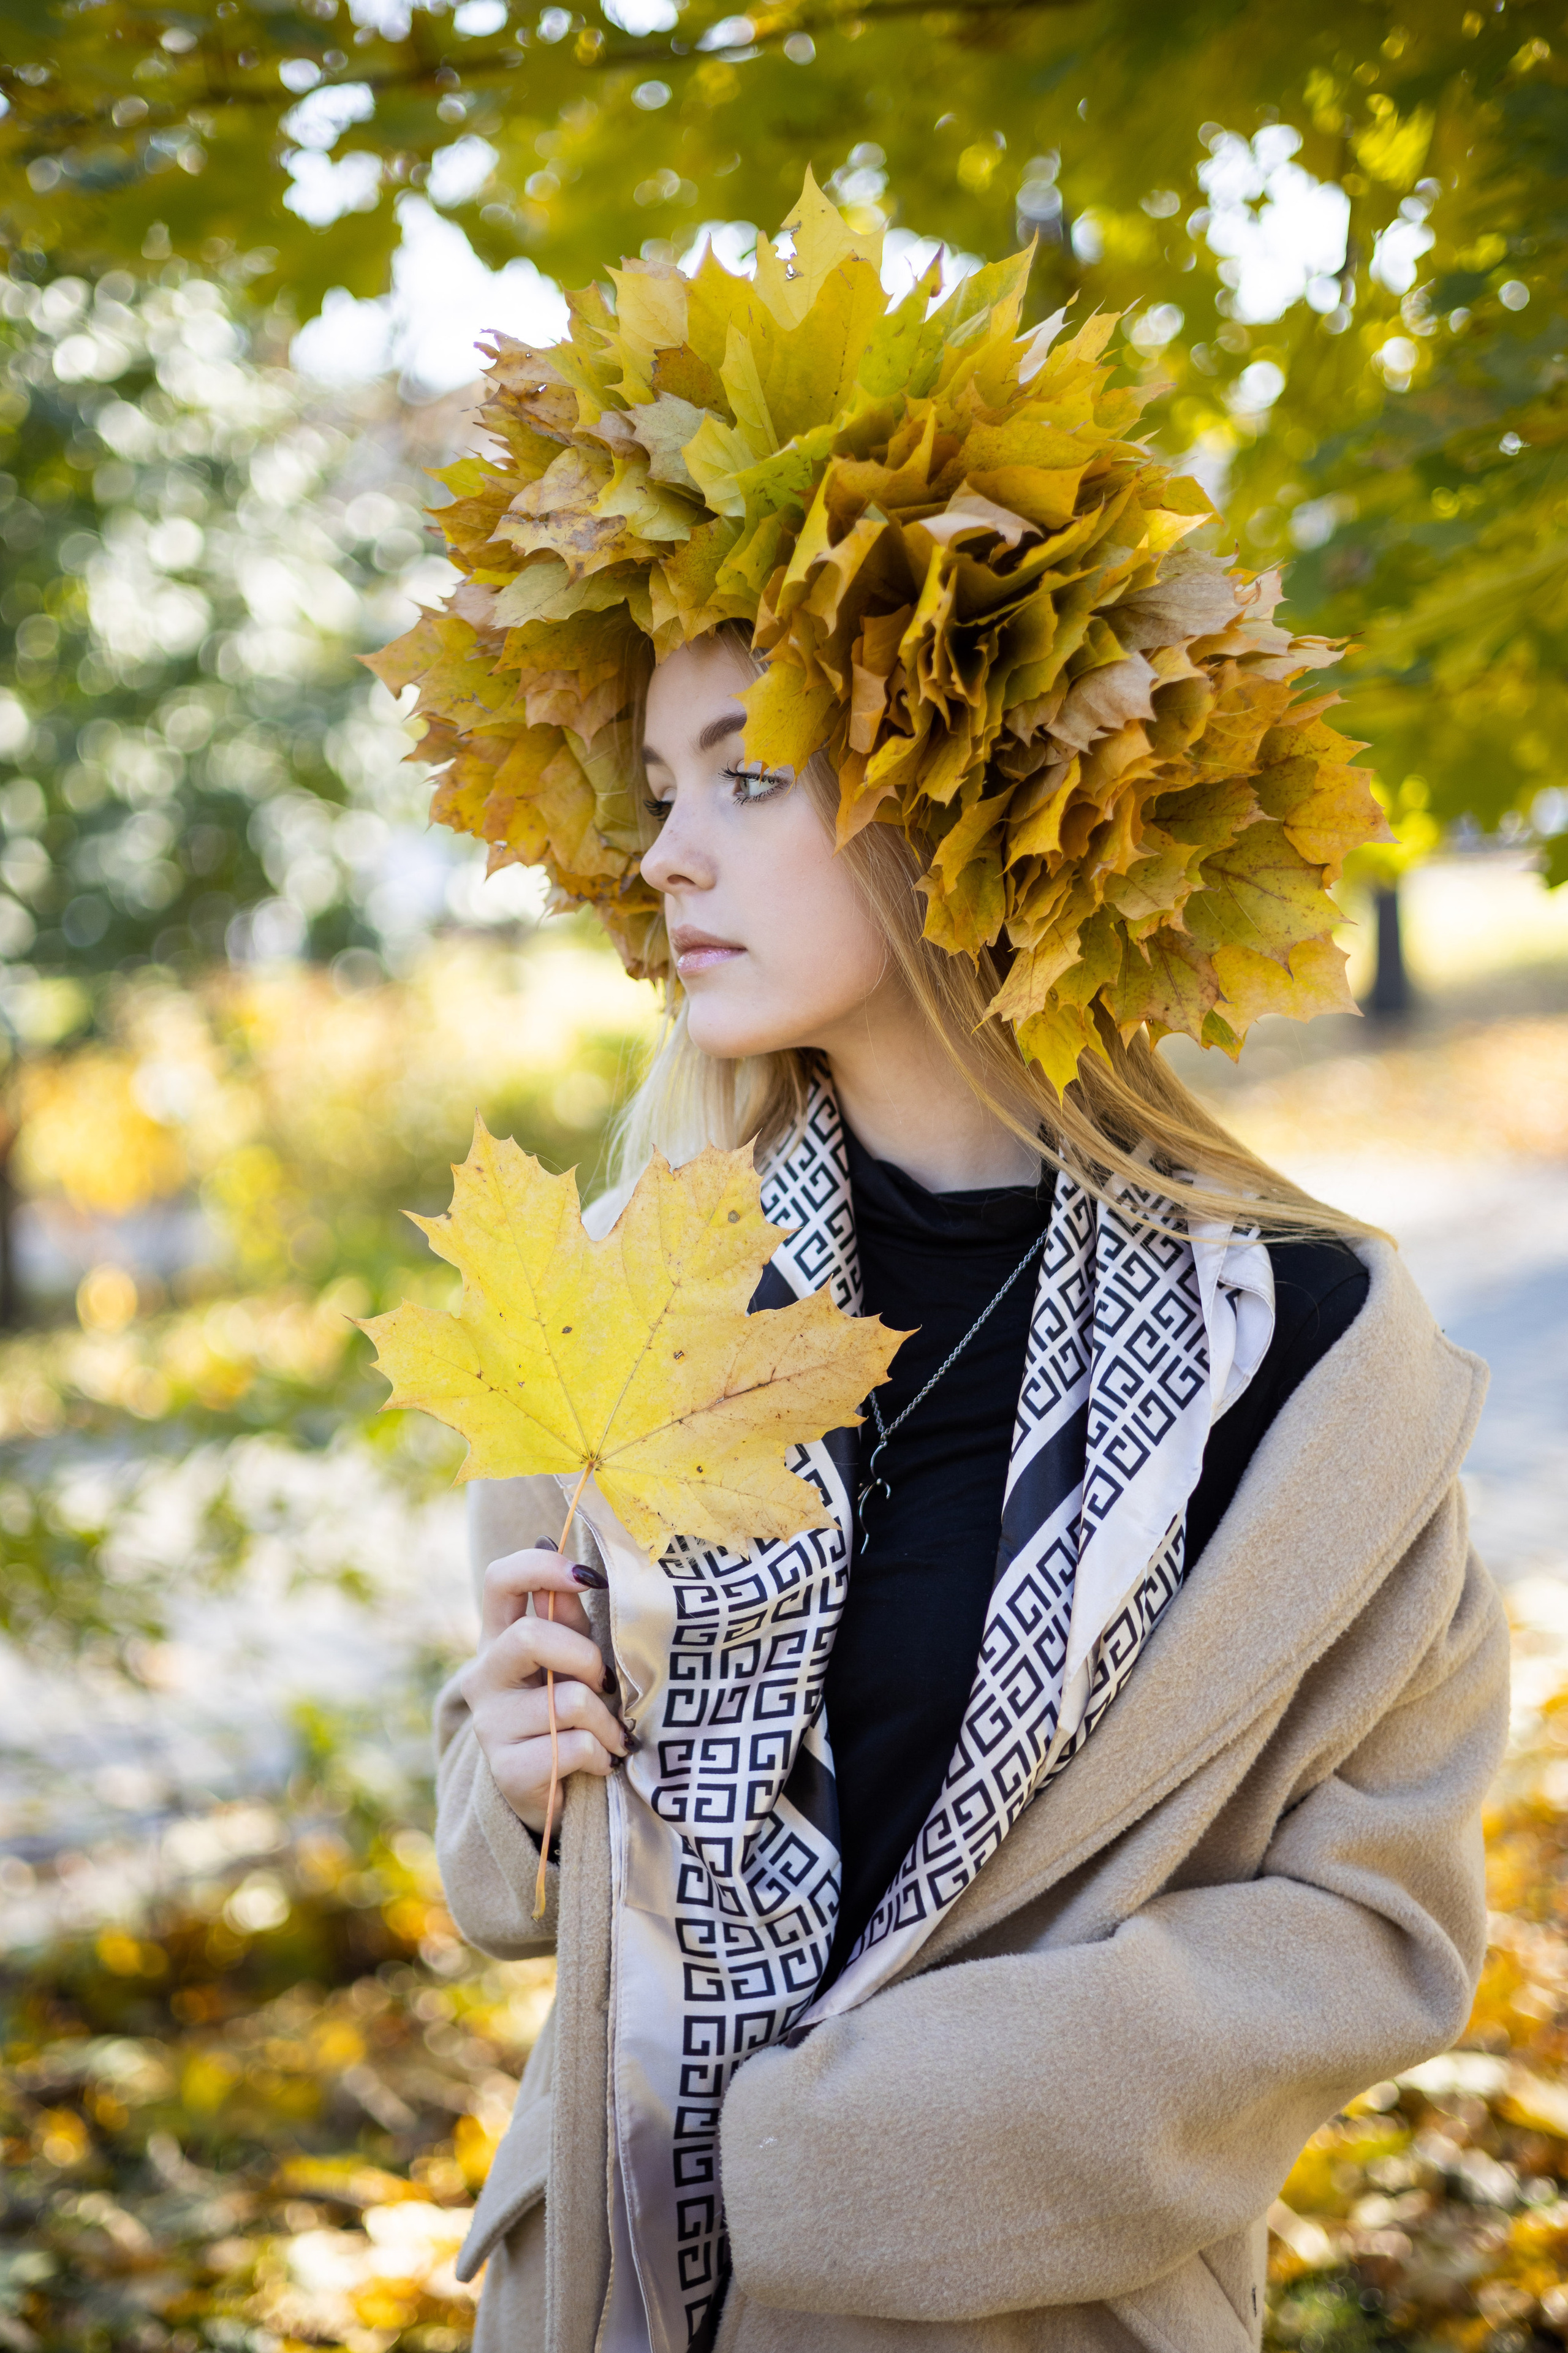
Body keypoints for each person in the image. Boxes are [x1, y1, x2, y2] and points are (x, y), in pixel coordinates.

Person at [382, 186, 1510, 2353]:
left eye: (750, 778)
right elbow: (520, 1853)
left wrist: (862, 2155)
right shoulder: (629, 1290)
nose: (667, 851)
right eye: (656, 788)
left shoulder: (1302, 1357)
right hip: (612, 2305)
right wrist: (508, 1786)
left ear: (965, 792)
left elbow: (1376, 1921)